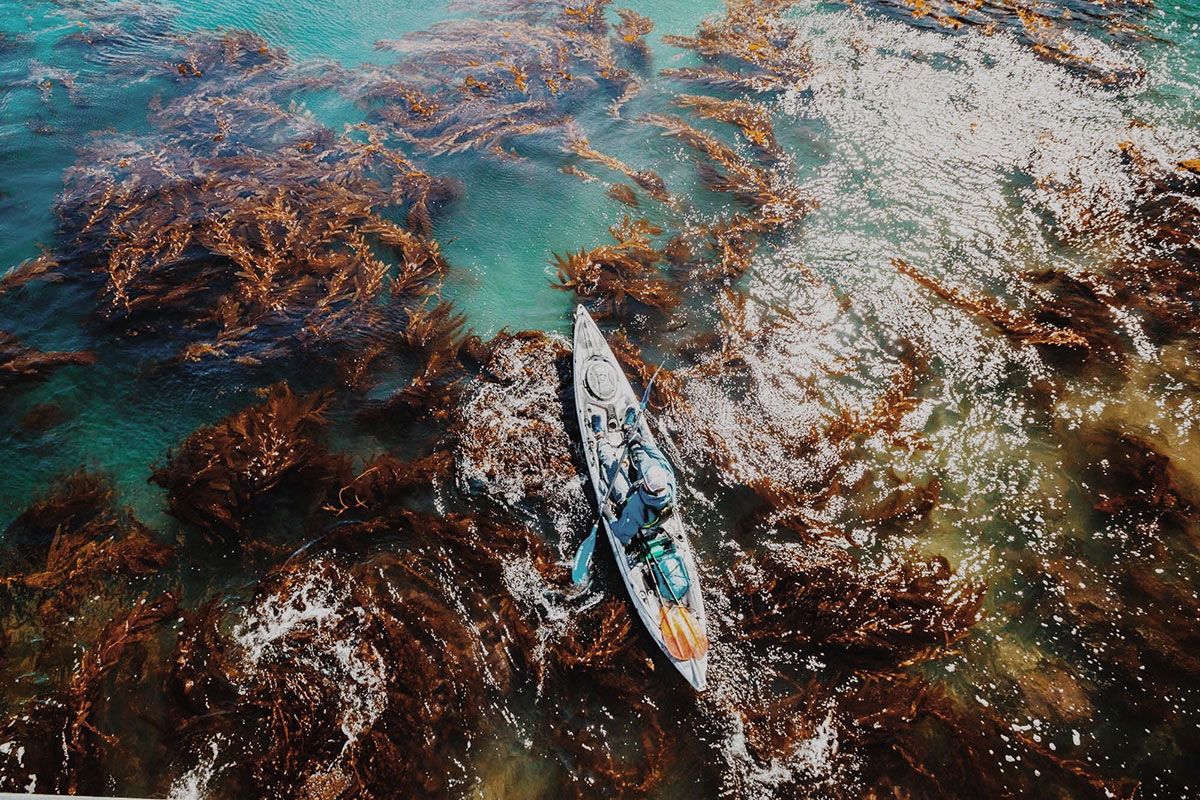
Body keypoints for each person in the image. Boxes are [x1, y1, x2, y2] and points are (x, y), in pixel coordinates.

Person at [591, 408, 677, 550]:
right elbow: (657, 455)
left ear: (647, 485)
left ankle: (599, 436)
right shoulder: (668, 478)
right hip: (648, 501)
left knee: (612, 467)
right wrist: (640, 441)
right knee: (643, 454)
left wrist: (609, 515)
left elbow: (621, 533)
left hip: (629, 500)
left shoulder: (635, 510)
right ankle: (628, 429)